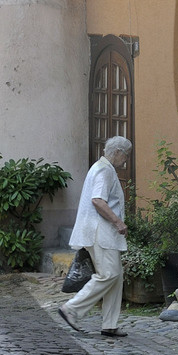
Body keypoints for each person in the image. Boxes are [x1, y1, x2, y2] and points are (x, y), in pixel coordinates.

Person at [58, 136, 132, 338]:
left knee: (116, 277)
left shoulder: (101, 168)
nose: (125, 160)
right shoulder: (104, 170)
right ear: (117, 152)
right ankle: (71, 309)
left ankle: (110, 324)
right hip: (100, 231)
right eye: (125, 155)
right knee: (109, 274)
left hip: (101, 231)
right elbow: (98, 201)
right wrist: (118, 222)